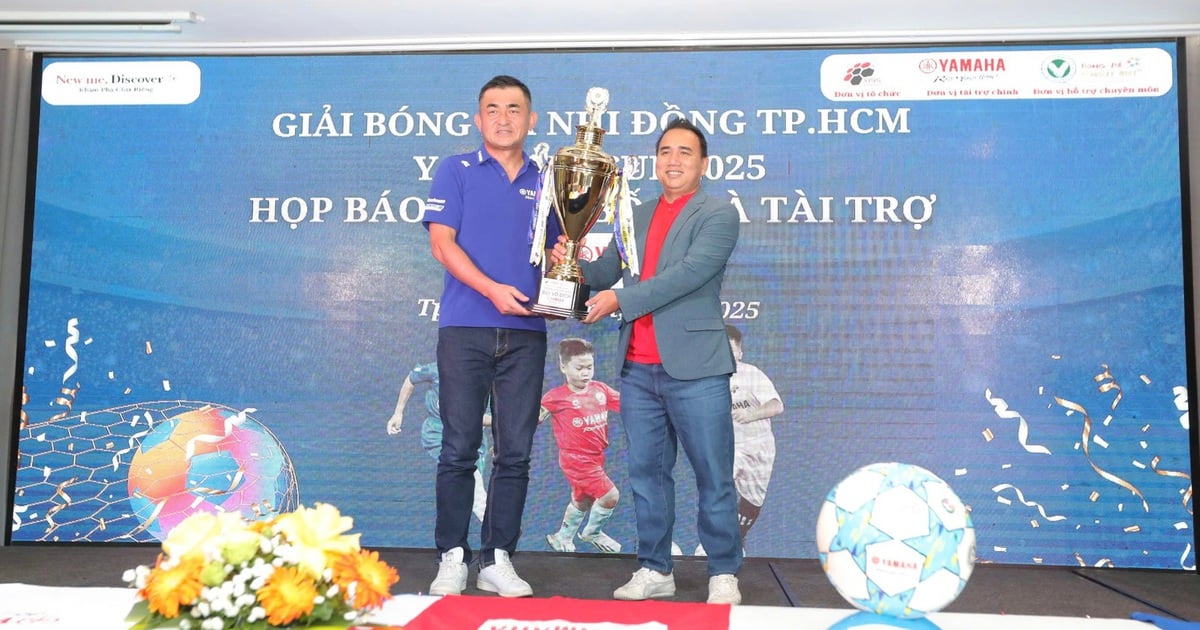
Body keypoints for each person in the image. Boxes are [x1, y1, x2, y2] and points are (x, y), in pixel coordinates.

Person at [554, 118, 743, 605]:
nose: (673, 160)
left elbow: (689, 274)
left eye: (684, 152)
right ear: (654, 161)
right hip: (638, 371)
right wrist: (568, 259)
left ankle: (723, 572)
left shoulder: (718, 213)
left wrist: (620, 300)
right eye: (664, 151)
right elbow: (606, 270)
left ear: (703, 163)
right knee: (646, 475)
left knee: (713, 473)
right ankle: (655, 567)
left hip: (696, 368)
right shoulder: (634, 214)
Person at [422, 74, 555, 599]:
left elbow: (560, 253)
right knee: (458, 448)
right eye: (493, 108)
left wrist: (566, 280)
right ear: (478, 119)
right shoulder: (454, 170)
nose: (504, 117)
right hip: (464, 329)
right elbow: (442, 245)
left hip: (527, 333)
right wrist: (492, 290)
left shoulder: (549, 181)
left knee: (515, 453)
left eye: (514, 108)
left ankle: (497, 558)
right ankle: (452, 556)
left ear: (531, 119)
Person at [540, 337, 622, 554]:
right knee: (610, 496)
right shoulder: (555, 398)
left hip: (596, 457)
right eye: (579, 368)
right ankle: (592, 533)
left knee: (583, 499)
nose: (585, 373)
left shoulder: (600, 390)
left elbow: (628, 404)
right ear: (563, 366)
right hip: (576, 459)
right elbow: (530, 420)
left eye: (589, 367)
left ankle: (562, 537)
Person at [385, 361, 491, 524]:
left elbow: (489, 418)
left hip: (471, 438)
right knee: (470, 481)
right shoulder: (439, 368)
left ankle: (498, 531)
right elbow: (411, 379)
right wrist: (398, 412)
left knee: (465, 489)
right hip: (439, 434)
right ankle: (500, 529)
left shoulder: (484, 380)